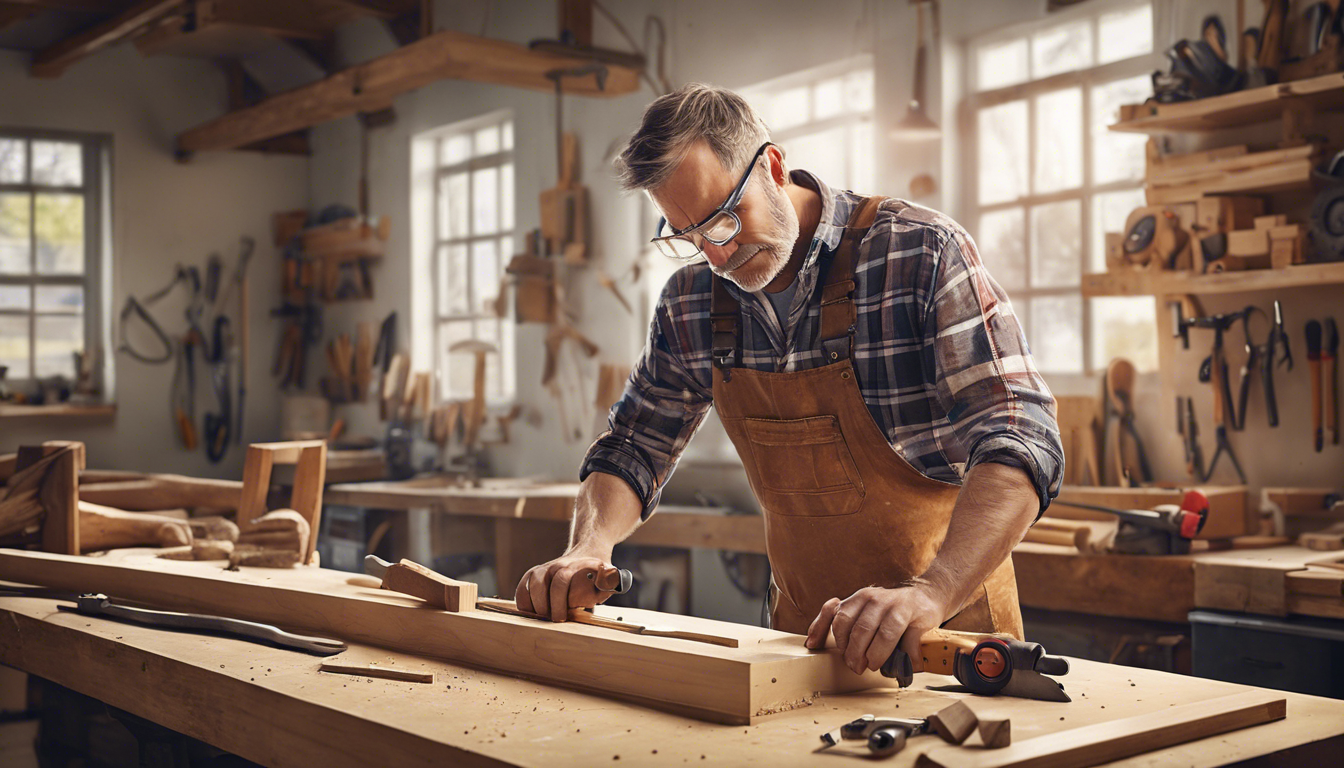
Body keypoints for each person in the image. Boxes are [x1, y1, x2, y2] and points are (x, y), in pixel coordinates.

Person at [515, 83, 1063, 677]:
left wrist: (932, 593)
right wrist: (588, 547)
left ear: (771, 166)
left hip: (947, 640)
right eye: (689, 237)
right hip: (803, 647)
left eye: (724, 221)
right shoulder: (693, 301)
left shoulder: (919, 253)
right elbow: (634, 444)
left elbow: (1021, 434)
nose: (716, 257)